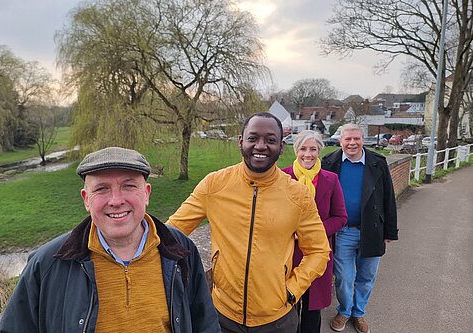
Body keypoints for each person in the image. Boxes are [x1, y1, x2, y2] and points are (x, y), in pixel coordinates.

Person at [0, 147, 220, 333]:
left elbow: (206, 324)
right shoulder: (47, 264)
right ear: (86, 199)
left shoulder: (180, 249)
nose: (116, 200)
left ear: (147, 194)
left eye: (129, 186)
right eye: (102, 189)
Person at [167, 112, 331, 333]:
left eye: (270, 140)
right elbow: (170, 233)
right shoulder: (214, 185)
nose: (260, 146)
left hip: (277, 319)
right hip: (221, 314)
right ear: (241, 141)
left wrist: (293, 289)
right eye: (253, 138)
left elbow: (319, 251)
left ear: (281, 147)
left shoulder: (298, 195)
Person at [322, 124, 398, 333]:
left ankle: (359, 313)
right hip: (343, 231)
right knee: (344, 277)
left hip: (372, 230)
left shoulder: (377, 163)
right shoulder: (330, 162)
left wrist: (390, 231)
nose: (352, 143)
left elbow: (388, 197)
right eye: (347, 139)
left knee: (366, 277)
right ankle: (345, 311)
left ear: (363, 139)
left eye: (356, 138)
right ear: (340, 141)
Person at [281, 130, 347, 333]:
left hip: (316, 253)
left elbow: (340, 217)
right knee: (287, 308)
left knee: (312, 311)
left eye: (313, 149)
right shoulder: (282, 177)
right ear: (296, 150)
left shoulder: (331, 179)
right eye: (303, 149)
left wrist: (314, 232)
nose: (307, 154)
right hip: (287, 253)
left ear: (319, 151)